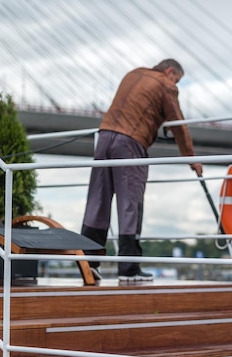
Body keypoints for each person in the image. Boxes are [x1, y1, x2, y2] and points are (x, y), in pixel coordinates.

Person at [81, 59, 203, 281]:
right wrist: (191, 158)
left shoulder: (133, 73)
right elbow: (178, 124)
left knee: (97, 202)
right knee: (130, 203)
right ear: (169, 71)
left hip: (104, 137)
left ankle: (88, 263)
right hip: (130, 143)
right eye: (178, 79)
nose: (177, 84)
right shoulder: (166, 85)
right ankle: (129, 269)